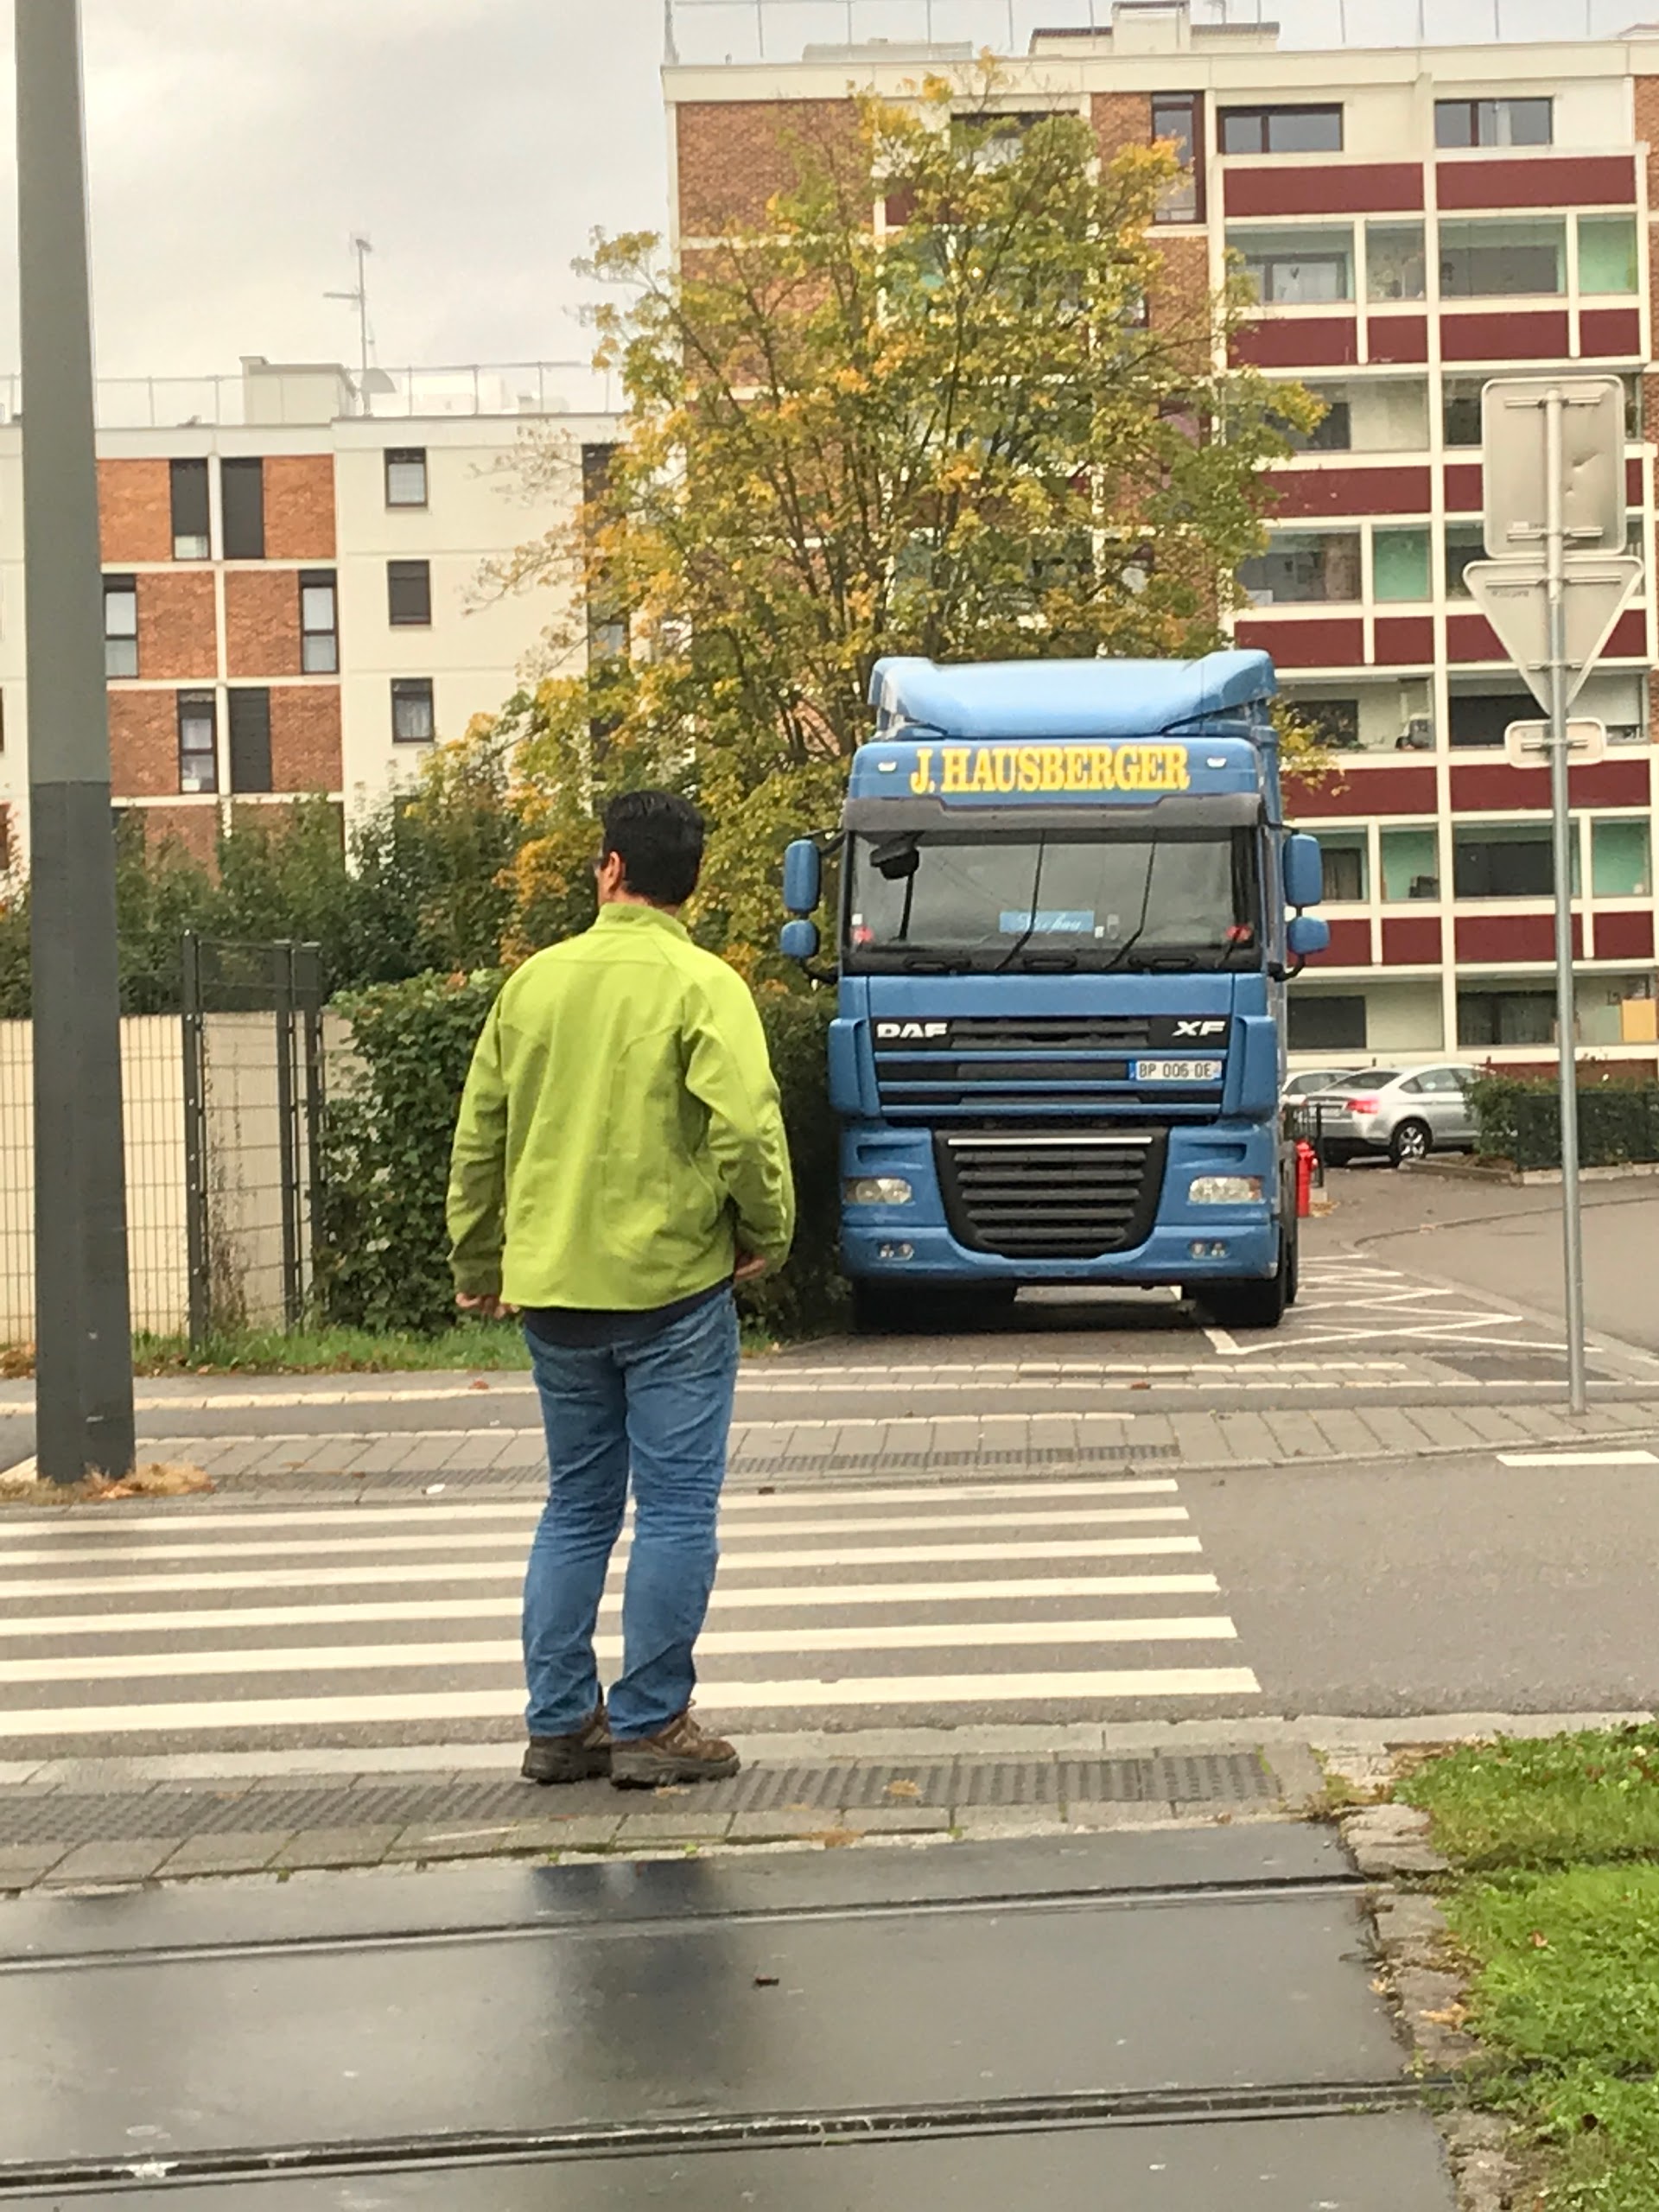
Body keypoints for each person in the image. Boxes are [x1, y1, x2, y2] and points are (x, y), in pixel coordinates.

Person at [446, 791, 795, 1789]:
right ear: (690, 880)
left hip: (554, 1292)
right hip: (675, 1289)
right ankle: (650, 1722)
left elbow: (482, 1136)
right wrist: (765, 1231)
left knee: (576, 1505)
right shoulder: (704, 986)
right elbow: (746, 1129)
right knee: (677, 1507)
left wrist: (479, 1261)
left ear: (607, 868)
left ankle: (561, 1723)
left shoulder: (534, 986)